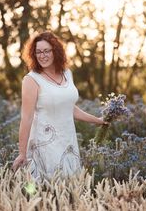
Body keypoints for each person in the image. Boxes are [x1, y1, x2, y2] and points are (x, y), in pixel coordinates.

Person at [12, 31, 109, 181]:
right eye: (38, 52)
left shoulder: (67, 74)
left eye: (46, 51)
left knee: (70, 185)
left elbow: (69, 108)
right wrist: (22, 153)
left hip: (68, 139)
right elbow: (26, 118)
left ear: (55, 51)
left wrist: (98, 120)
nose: (42, 55)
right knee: (43, 186)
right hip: (45, 142)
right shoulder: (31, 80)